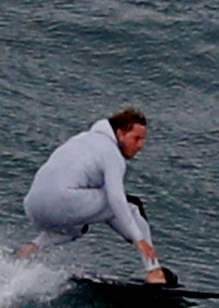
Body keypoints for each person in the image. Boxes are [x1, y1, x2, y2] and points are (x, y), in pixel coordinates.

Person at [16, 107, 166, 283]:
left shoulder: (80, 139)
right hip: (64, 201)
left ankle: (29, 249)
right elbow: (116, 199)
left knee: (77, 227)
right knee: (130, 207)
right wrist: (139, 239)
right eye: (136, 138)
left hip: (33, 206)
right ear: (120, 134)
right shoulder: (111, 153)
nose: (141, 146)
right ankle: (154, 271)